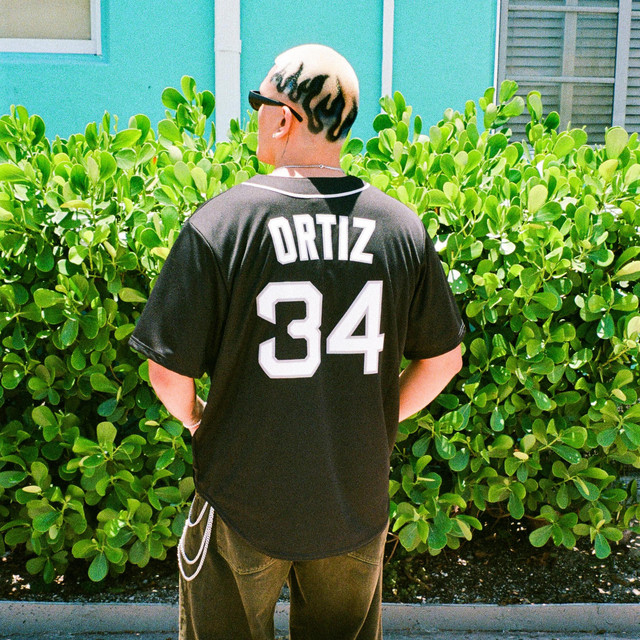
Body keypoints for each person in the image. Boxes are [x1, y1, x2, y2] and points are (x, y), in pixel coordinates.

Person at [129, 43, 465, 640]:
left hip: (240, 498)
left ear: (283, 118)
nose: (256, 115)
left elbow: (166, 372)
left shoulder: (221, 223)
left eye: (258, 103)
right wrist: (378, 419)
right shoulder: (401, 229)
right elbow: (443, 361)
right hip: (353, 502)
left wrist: (200, 419)